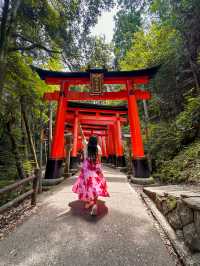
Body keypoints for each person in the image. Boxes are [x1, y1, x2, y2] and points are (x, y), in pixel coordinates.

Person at [72, 127, 109, 216]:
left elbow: (83, 136)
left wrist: (80, 127)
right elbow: (99, 161)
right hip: (95, 169)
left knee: (87, 186)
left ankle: (90, 201)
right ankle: (94, 203)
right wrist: (100, 171)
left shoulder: (86, 145)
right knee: (96, 186)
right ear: (96, 142)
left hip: (86, 170)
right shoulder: (98, 148)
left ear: (90, 140)